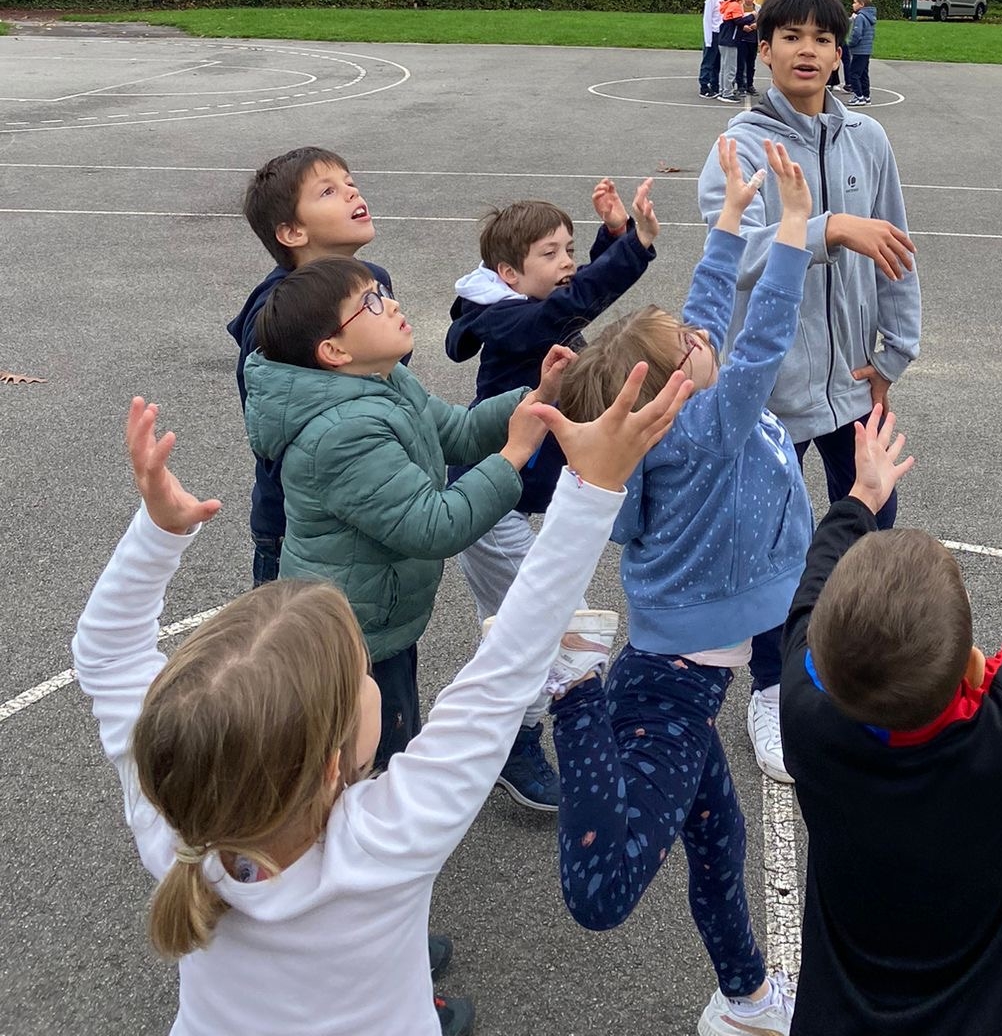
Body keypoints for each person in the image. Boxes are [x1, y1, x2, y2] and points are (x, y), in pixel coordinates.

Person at [74, 376, 688, 1036]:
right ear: (336, 764)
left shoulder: (175, 820)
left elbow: (105, 656)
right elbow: (509, 667)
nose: (371, 676)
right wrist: (594, 487)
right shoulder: (386, 840)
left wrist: (157, 533)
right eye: (361, 677)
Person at [548, 137, 813, 1036]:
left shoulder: (671, 420)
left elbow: (699, 320)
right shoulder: (710, 427)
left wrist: (731, 219)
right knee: (602, 888)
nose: (708, 336)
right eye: (693, 347)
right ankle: (570, 687)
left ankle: (744, 997)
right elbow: (762, 331)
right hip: (676, 680)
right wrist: (792, 230)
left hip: (683, 665)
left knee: (718, 838)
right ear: (673, 387)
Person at [780, 314, 1002, 1035]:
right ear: (975, 666)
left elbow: (807, 596)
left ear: (824, 660)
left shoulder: (806, 718)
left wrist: (859, 501)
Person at [697, 0, 920, 782]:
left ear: (840, 51)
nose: (806, 50)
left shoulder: (869, 141)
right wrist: (825, 228)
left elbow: (898, 251)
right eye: (788, 36)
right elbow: (733, 254)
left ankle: (871, 660)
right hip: (773, 388)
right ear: (762, 50)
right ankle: (770, 685)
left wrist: (892, 355)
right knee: (770, 540)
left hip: (852, 382)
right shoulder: (744, 146)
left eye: (822, 39)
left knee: (875, 516)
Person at [243, 258, 556, 768]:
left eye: (382, 292)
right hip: (347, 638)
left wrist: (534, 400)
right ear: (333, 351)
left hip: (380, 617)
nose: (390, 303)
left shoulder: (385, 381)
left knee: (389, 740)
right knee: (363, 762)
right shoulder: (341, 433)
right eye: (369, 303)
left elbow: (458, 432)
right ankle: (366, 840)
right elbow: (436, 525)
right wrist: (513, 455)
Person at [443, 177, 659, 807]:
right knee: (553, 626)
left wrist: (613, 234)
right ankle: (515, 740)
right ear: (508, 273)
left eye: (571, 248)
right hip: (488, 507)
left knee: (524, 628)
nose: (568, 263)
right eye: (552, 253)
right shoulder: (511, 322)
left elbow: (570, 289)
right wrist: (638, 247)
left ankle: (490, 732)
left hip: (512, 503)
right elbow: (571, 305)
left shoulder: (526, 303)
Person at [228, 147, 397, 590]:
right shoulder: (277, 316)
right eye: (328, 191)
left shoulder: (372, 280)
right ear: (291, 231)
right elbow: (272, 424)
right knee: (296, 650)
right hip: (299, 520)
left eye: (350, 183)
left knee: (374, 639)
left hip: (367, 492)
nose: (351, 193)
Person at [716, 0, 745, 104]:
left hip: (724, 39)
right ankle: (727, 93)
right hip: (730, 40)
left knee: (724, 66)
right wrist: (753, 16)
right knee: (730, 67)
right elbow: (738, 21)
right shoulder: (735, 5)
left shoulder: (728, 3)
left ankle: (723, 90)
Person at [699, 0, 728, 99]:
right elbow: (707, 19)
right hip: (713, 33)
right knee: (708, 60)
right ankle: (704, 86)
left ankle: (715, 85)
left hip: (722, 33)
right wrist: (708, 39)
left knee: (718, 61)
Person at [844, 0, 876, 105]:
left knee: (854, 73)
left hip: (859, 50)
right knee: (863, 73)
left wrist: (850, 43)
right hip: (866, 49)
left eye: (855, 2)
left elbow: (856, 34)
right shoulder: (870, 17)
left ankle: (859, 96)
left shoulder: (860, 17)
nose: (853, 5)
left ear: (861, 4)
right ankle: (866, 95)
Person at [734, 0, 760, 98]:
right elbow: (735, 21)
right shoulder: (739, 7)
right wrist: (743, 26)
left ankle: (750, 84)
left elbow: (763, 21)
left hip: (753, 40)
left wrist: (756, 25)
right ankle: (740, 85)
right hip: (742, 39)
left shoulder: (758, 8)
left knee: (751, 64)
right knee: (740, 63)